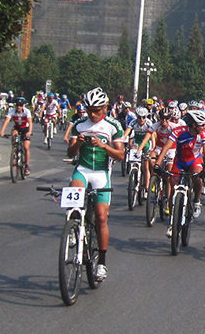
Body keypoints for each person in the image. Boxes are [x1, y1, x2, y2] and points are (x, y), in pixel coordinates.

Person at [65, 88, 126, 282]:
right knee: (74, 193)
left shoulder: (113, 125)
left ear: (105, 108)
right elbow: (70, 154)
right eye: (90, 109)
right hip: (82, 169)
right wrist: (78, 144)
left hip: (101, 173)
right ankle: (73, 228)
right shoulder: (79, 124)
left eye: (97, 110)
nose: (92, 114)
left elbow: (121, 155)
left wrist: (104, 146)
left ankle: (101, 261)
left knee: (101, 217)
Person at [152, 106, 205, 236]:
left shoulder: (204, 134)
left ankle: (196, 200)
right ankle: (172, 222)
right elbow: (166, 147)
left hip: (194, 161)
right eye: (202, 125)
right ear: (194, 124)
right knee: (172, 187)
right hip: (179, 161)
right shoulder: (179, 131)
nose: (204, 127)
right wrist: (157, 164)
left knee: (197, 178)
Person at [0, 97, 34, 176]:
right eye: (17, 105)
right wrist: (2, 132)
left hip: (25, 128)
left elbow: (30, 122)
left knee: (26, 147)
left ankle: (27, 166)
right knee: (14, 134)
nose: (19, 107)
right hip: (17, 127)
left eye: (20, 105)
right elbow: (7, 121)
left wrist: (30, 131)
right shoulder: (12, 111)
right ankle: (15, 151)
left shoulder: (27, 111)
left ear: (23, 106)